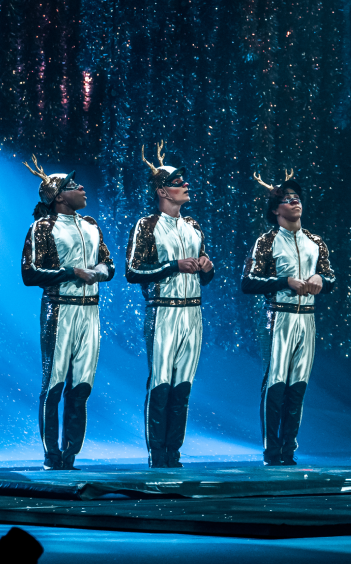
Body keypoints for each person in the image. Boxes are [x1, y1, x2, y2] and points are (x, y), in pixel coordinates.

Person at [21, 157, 114, 470]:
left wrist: (98, 272)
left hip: (91, 311)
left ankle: (70, 453)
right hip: (59, 308)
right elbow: (29, 273)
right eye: (73, 185)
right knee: (54, 382)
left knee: (82, 385)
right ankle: (52, 455)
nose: (82, 187)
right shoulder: (43, 228)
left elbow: (109, 264)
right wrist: (71, 271)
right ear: (59, 196)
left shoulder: (91, 225)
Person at [125, 143, 214, 468]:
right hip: (163, 309)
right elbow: (133, 271)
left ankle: (173, 452)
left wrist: (206, 267)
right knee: (161, 379)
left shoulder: (194, 226)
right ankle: (157, 453)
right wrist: (174, 265)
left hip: (193, 310)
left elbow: (206, 275)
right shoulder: (147, 226)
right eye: (179, 182)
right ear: (162, 190)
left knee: (184, 384)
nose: (186, 186)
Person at [241, 173, 336, 466]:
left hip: (307, 318)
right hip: (278, 316)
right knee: (276, 383)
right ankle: (272, 451)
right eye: (286, 199)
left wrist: (321, 277)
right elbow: (248, 282)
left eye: (296, 198)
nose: (294, 202)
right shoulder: (267, 241)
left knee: (299, 385)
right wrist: (285, 281)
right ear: (275, 210)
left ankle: (289, 451)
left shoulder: (315, 241)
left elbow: (330, 277)